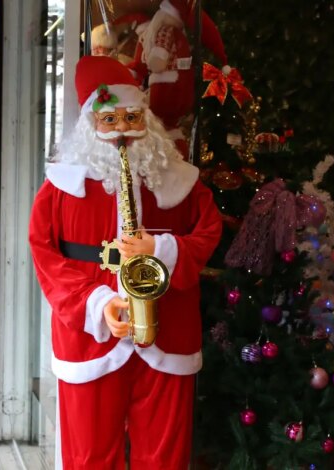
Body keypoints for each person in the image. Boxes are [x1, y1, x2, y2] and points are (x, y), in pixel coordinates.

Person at [28, 56, 222, 469]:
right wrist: (95, 303)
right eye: (109, 119)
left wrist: (161, 251)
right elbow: (46, 255)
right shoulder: (59, 186)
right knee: (89, 455)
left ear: (146, 119)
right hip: (90, 336)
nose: (121, 130)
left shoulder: (180, 180)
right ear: (89, 125)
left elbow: (207, 232)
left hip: (167, 330)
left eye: (131, 117)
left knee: (165, 456)